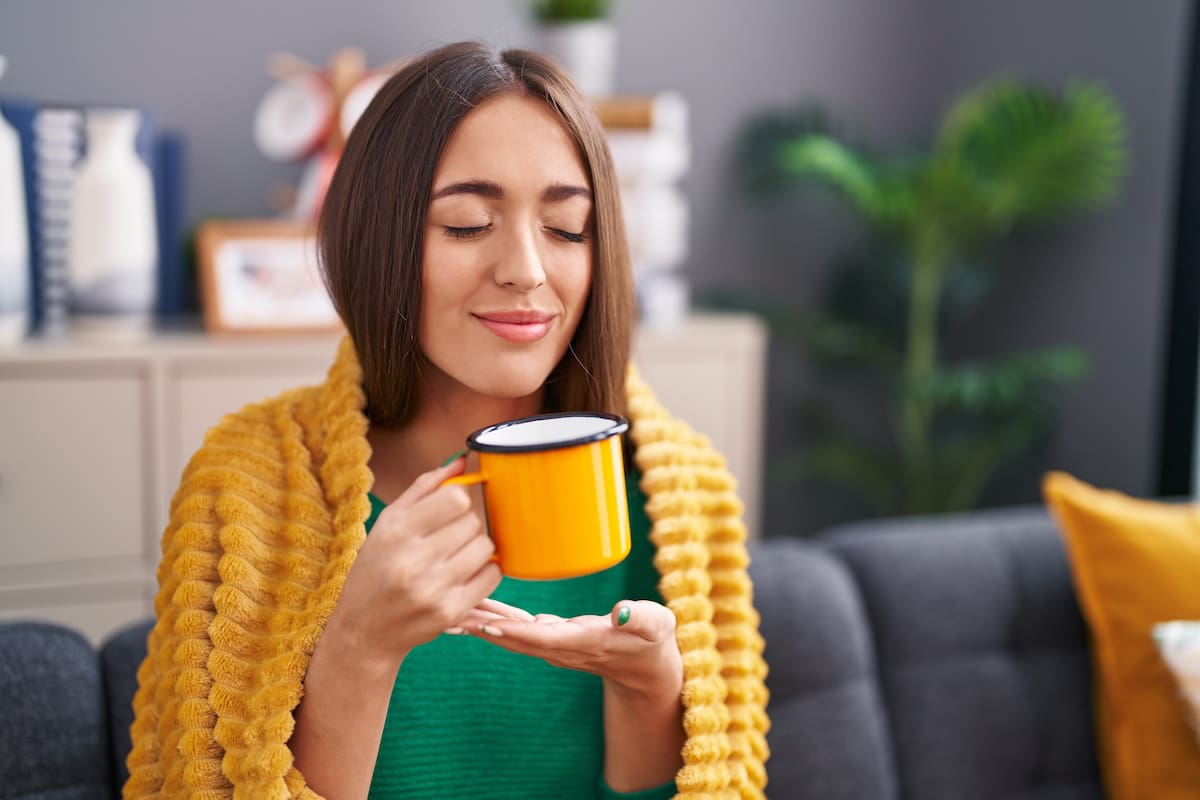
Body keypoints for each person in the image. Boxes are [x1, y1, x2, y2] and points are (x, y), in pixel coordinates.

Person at [123, 41, 768, 800]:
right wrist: (360, 646)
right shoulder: (245, 489)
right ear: (379, 240)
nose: (526, 269)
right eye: (466, 224)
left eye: (566, 228)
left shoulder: (683, 495)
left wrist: (647, 689)